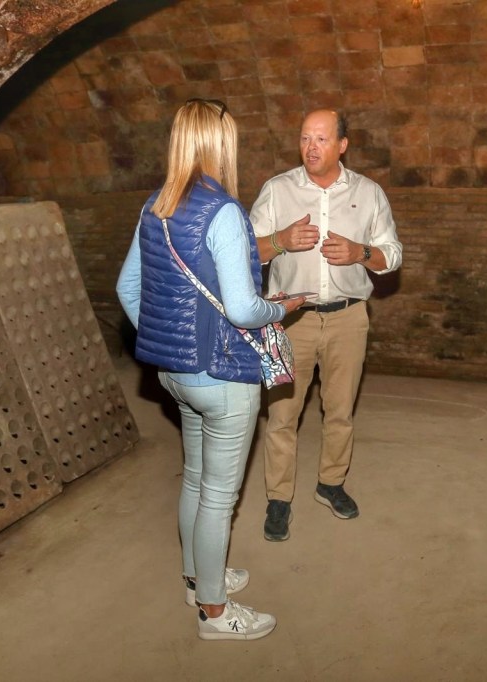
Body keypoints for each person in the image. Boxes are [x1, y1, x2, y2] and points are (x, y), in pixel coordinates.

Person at [116, 99, 306, 640]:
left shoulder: (155, 205)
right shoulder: (222, 211)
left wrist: (167, 343)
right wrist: (281, 309)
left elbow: (127, 289)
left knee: (197, 480)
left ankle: (197, 579)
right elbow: (244, 309)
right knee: (219, 498)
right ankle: (215, 613)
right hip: (222, 378)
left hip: (175, 374)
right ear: (220, 142)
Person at [251, 109, 403, 542]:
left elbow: (393, 255)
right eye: (304, 138)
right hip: (289, 320)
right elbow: (244, 250)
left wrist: (360, 253)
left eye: (321, 139)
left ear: (342, 145)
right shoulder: (277, 190)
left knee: (340, 411)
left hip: (348, 319)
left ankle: (330, 483)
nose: (311, 147)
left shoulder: (368, 193)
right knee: (282, 416)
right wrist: (280, 240)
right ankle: (279, 498)